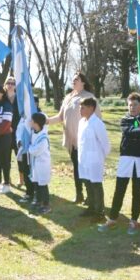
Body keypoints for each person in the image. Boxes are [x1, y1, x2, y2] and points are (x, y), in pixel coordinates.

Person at [100, 92, 140, 235]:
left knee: (137, 192)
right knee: (119, 190)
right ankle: (113, 219)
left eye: (135, 105)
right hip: (126, 159)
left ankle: (134, 221)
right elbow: (131, 131)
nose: (132, 108)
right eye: (130, 105)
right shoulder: (125, 119)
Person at [47, 72, 100, 204]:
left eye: (76, 79)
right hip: (71, 140)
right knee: (77, 168)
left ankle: (91, 197)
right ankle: (79, 194)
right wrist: (46, 121)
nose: (73, 81)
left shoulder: (89, 97)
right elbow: (60, 117)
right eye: (73, 79)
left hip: (84, 141)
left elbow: (97, 118)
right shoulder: (68, 97)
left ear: (83, 82)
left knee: (85, 168)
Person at [77, 97, 110, 221]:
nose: (80, 109)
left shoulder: (97, 123)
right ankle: (91, 207)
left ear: (91, 108)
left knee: (96, 185)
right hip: (84, 160)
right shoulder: (82, 122)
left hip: (95, 160)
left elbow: (105, 143)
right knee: (87, 184)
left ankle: (99, 212)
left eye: (83, 107)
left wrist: (100, 158)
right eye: (80, 107)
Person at [28, 112, 52, 214]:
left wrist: (29, 147)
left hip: (42, 165)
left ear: (36, 123)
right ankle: (38, 201)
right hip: (36, 164)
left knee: (43, 185)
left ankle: (46, 205)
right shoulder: (34, 132)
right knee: (37, 183)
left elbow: (35, 150)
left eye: (31, 121)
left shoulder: (43, 138)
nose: (30, 122)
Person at [4, 77, 24, 187]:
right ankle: (7, 179)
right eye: (8, 83)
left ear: (15, 86)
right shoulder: (2, 98)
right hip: (5, 132)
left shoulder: (19, 98)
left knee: (19, 156)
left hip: (18, 132)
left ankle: (22, 180)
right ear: (5, 85)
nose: (10, 85)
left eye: (13, 83)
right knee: (6, 157)